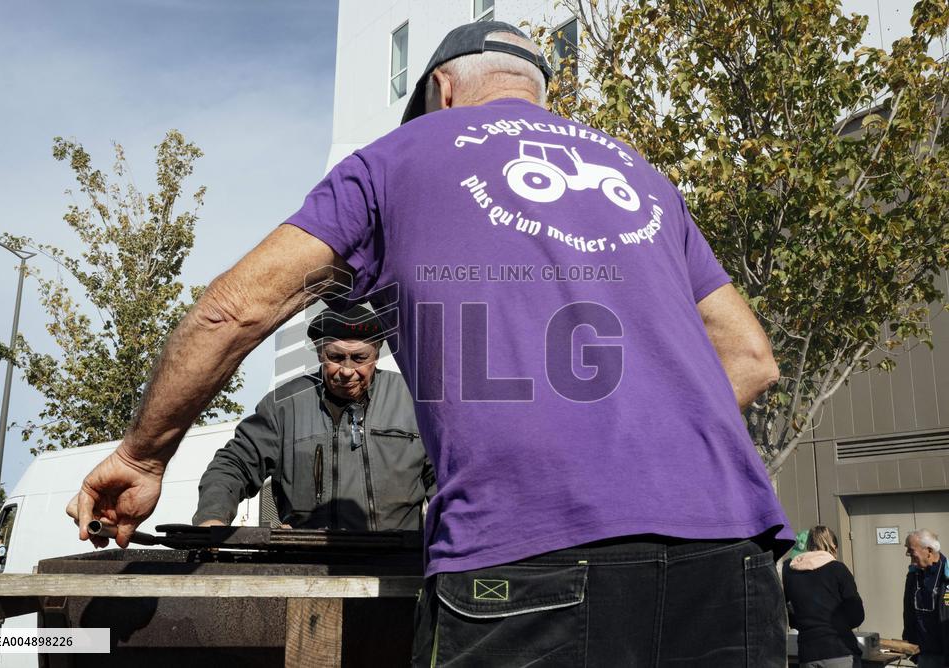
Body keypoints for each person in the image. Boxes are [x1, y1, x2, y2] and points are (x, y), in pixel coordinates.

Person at [67, 20, 792, 666]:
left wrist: (142, 456)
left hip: (526, 554)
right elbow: (752, 360)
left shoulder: (394, 157)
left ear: (443, 89)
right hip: (730, 548)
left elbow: (234, 309)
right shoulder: (643, 178)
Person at [192, 305, 435, 530]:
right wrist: (213, 516)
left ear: (377, 354)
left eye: (359, 358)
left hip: (399, 557)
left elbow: (447, 478)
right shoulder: (284, 406)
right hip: (306, 556)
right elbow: (234, 464)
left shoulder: (414, 402)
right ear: (320, 352)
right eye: (336, 357)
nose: (347, 370)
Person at [782, 525, 864, 667]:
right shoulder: (838, 569)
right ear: (833, 546)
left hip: (808, 653)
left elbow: (783, 610)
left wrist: (803, 623)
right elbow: (857, 615)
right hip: (839, 650)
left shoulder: (790, 573)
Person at [903, 529, 949, 667]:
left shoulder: (946, 576)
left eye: (911, 550)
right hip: (924, 655)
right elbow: (909, 611)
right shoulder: (913, 575)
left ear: (929, 551)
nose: (907, 554)